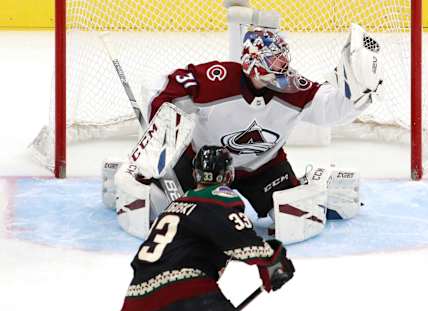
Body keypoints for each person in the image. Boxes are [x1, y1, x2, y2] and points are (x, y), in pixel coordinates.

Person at [109, 21, 381, 243]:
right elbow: (166, 89)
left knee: (296, 222)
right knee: (160, 214)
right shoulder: (217, 79)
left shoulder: (293, 87)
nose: (282, 69)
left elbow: (330, 109)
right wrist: (160, 124)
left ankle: (314, 180)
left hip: (263, 168)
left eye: (282, 61)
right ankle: (131, 175)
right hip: (202, 167)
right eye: (273, 63)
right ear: (252, 62)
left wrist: (359, 94)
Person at [118, 145, 295, 311]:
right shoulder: (219, 199)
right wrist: (274, 258)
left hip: (135, 303)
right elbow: (247, 247)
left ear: (195, 174)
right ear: (229, 174)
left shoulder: (175, 205)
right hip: (184, 294)